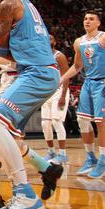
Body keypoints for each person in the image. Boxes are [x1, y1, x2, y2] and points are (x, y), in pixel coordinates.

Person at [0, 0, 61, 209]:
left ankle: (24, 193)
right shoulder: (21, 5)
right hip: (35, 72)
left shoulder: (8, 4)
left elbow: (2, 53)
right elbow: (14, 51)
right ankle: (45, 170)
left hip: (33, 74)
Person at [60, 10, 105, 179]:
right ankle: (91, 158)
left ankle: (103, 161)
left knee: (100, 122)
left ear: (98, 23)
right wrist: (62, 78)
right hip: (89, 82)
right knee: (82, 120)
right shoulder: (79, 42)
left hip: (104, 82)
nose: (87, 21)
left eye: (91, 19)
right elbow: (77, 66)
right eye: (85, 18)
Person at [40, 35, 71, 165]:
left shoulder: (59, 56)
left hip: (59, 91)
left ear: (55, 42)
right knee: (45, 124)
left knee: (56, 122)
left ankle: (63, 154)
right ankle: (51, 151)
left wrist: (63, 95)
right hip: (46, 93)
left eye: (51, 38)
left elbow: (67, 76)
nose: (48, 39)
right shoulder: (40, 56)